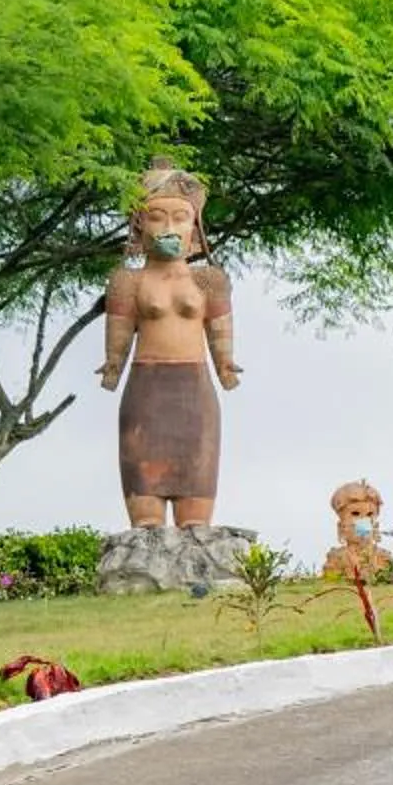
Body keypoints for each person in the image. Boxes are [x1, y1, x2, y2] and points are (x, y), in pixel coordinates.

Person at [97, 160, 239, 529]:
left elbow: (221, 331)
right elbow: (118, 334)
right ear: (140, 223)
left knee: (197, 513)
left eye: (180, 218)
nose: (169, 227)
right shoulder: (127, 281)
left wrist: (226, 364)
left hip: (195, 390)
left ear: (194, 226)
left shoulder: (210, 280)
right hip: (147, 390)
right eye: (158, 216)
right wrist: (112, 364)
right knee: (146, 516)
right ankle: (145, 541)